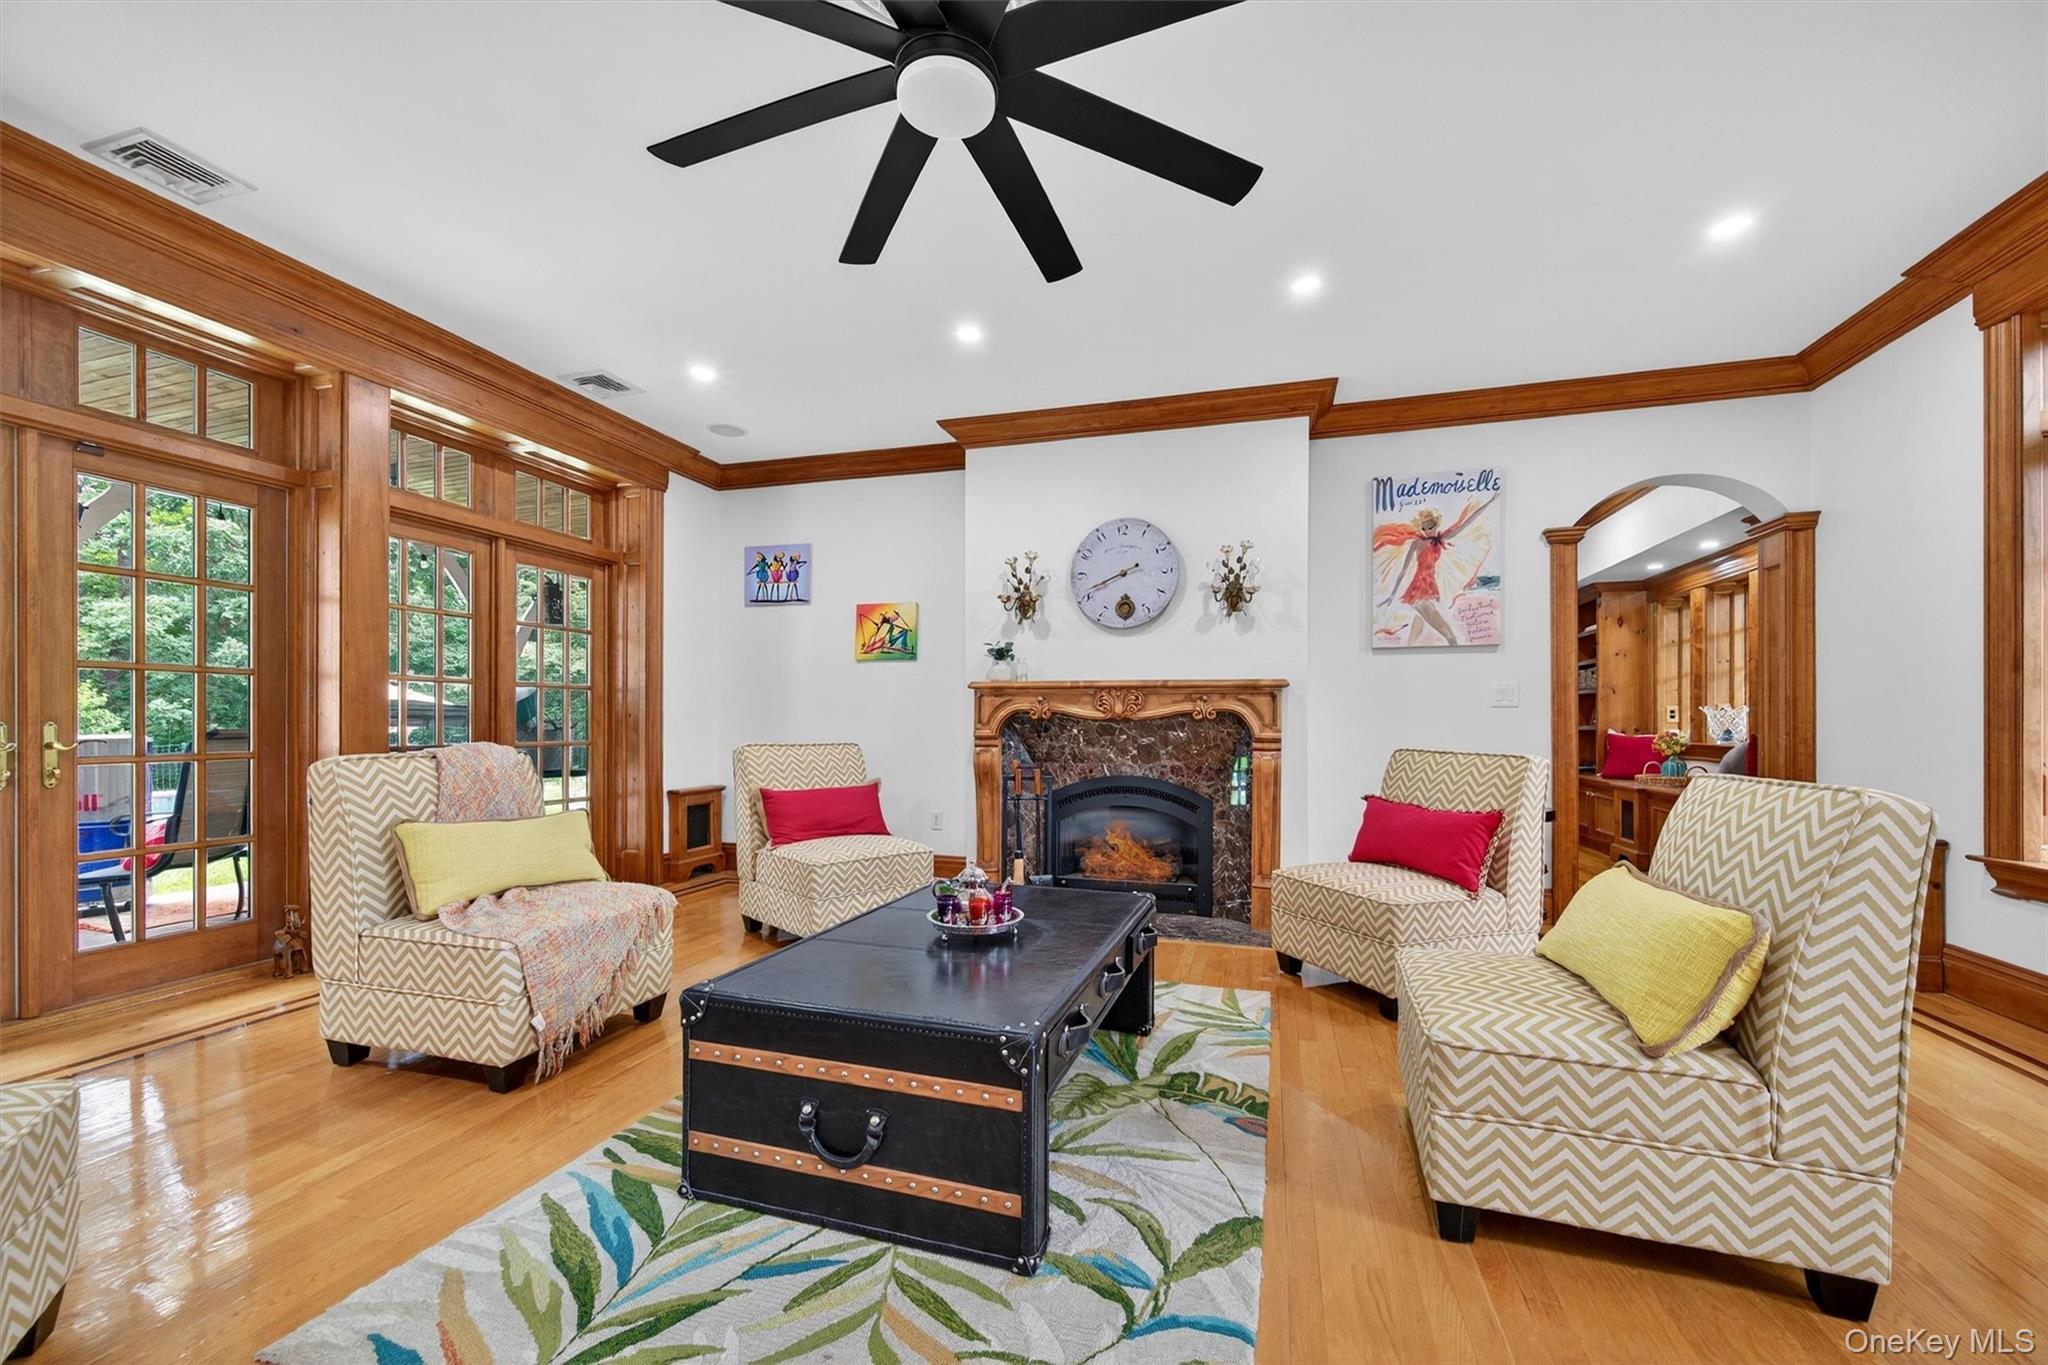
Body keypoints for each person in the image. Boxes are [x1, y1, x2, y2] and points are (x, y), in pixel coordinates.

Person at [1374, 493, 1499, 645]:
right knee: (1451, 638)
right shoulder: (1416, 543)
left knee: (1412, 641)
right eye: (1424, 528)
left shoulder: (1441, 539)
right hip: (1419, 593)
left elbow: (1465, 523)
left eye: (1431, 526)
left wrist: (1490, 502)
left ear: (1436, 524)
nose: (1428, 531)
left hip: (1428, 591)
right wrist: (1392, 594)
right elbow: (1403, 570)